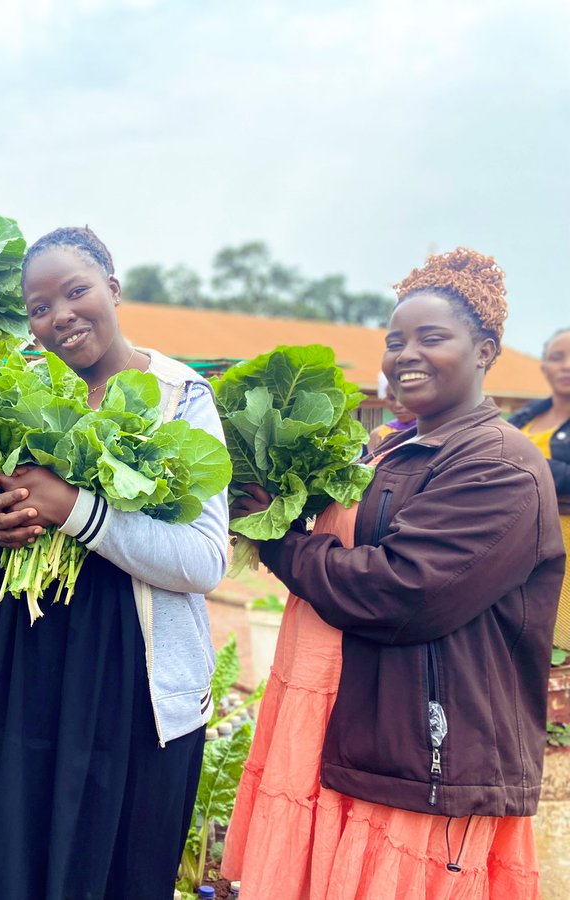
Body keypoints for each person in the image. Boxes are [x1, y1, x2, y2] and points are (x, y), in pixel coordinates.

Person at [221, 248, 563, 898]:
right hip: (355, 729)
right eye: (395, 340)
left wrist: (279, 545)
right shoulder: (388, 447)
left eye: (431, 338)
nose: (405, 354)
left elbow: (404, 591)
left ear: (485, 348)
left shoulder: (500, 464)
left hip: (425, 757)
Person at [0, 227, 229, 899]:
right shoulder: (14, 383)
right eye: (40, 306)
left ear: (113, 287)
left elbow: (205, 560)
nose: (60, 316)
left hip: (123, 687)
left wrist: (78, 509)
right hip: (12, 667)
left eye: (76, 291)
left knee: (100, 869)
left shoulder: (181, 397)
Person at [510, 327, 570, 648]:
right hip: (517, 543)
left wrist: (526, 462)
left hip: (565, 539)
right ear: (544, 366)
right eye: (557, 358)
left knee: (561, 641)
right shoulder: (525, 416)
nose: (567, 366)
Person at [365, 373, 417, 455]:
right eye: (391, 398)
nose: (398, 405)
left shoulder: (435, 430)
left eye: (405, 397)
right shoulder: (378, 434)